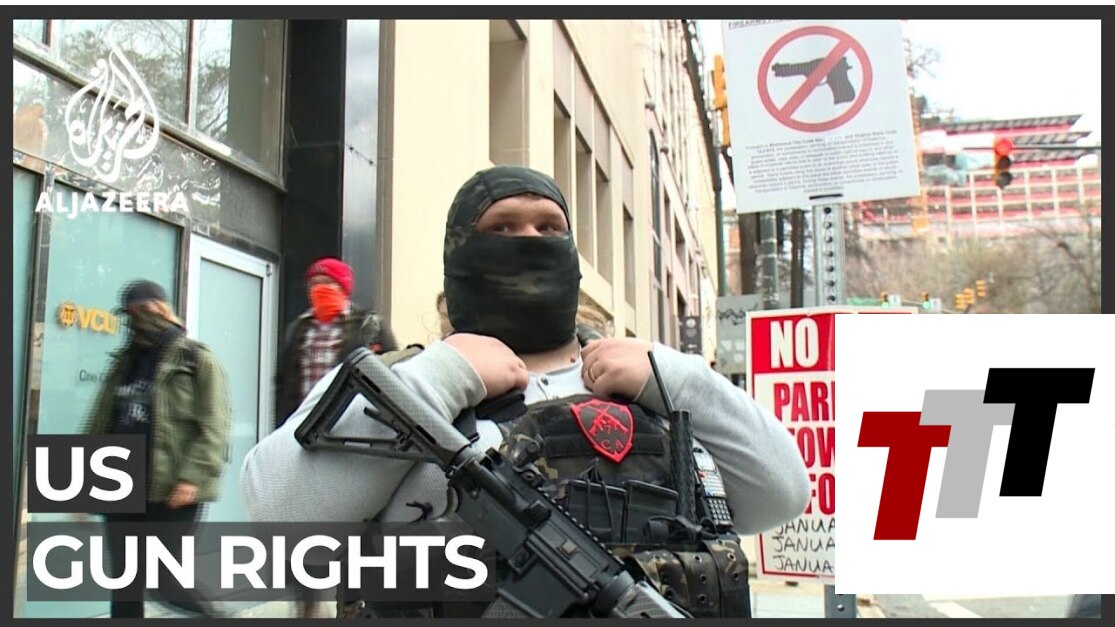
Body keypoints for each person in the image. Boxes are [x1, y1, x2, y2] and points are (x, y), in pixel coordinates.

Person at [242, 166, 811, 618]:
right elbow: (277, 515)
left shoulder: (648, 384)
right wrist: (443, 375)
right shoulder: (406, 383)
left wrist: (676, 377)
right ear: (460, 254)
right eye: (503, 227)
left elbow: (780, 494)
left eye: (548, 227)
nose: (530, 240)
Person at [83, 279, 231, 618]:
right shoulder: (124, 361)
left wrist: (192, 478)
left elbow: (215, 426)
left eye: (144, 310)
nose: (137, 319)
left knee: (163, 579)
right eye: (130, 313)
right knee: (124, 581)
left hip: (171, 489)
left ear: (162, 309)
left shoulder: (196, 359)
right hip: (119, 483)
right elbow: (102, 417)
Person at [274, 257, 398, 429]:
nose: (319, 288)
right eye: (313, 284)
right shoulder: (298, 328)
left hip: (351, 423)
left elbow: (391, 371)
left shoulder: (369, 324)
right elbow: (282, 382)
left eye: (327, 282)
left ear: (343, 287)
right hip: (303, 424)